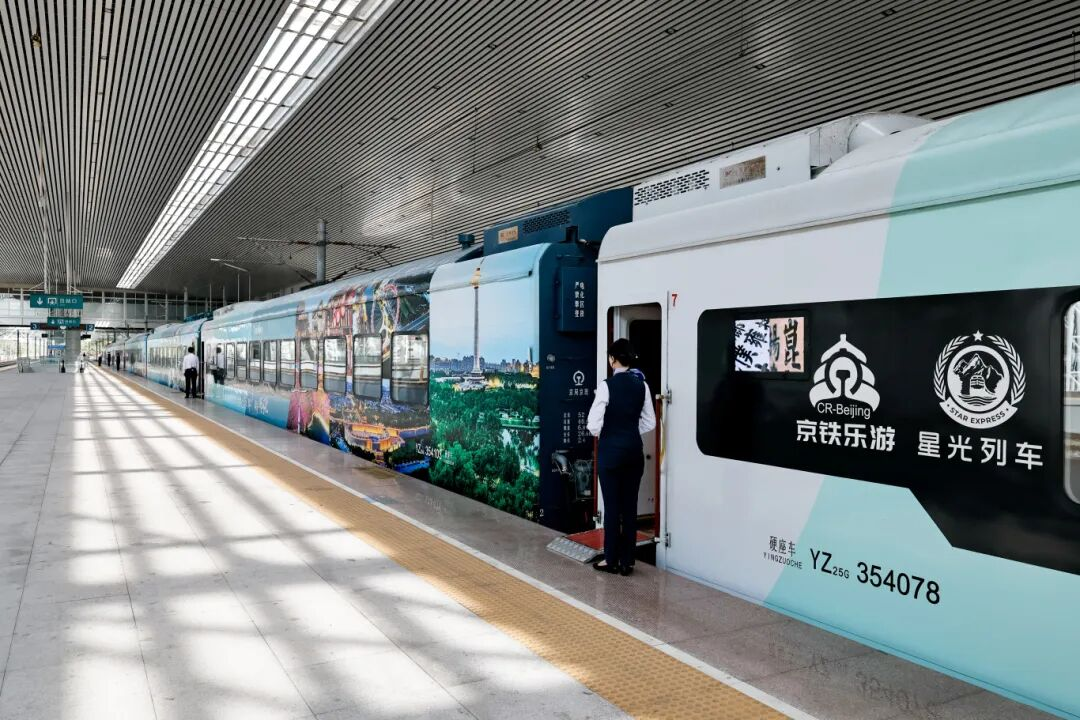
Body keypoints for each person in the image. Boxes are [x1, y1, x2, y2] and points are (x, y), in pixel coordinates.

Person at [587, 339, 656, 576]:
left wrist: (610, 433)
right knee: (629, 506)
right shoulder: (642, 385)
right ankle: (627, 562)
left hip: (611, 454)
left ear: (612, 360)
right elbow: (650, 422)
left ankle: (611, 559)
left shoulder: (606, 386)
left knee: (612, 507)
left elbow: (593, 424)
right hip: (634, 452)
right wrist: (629, 431)